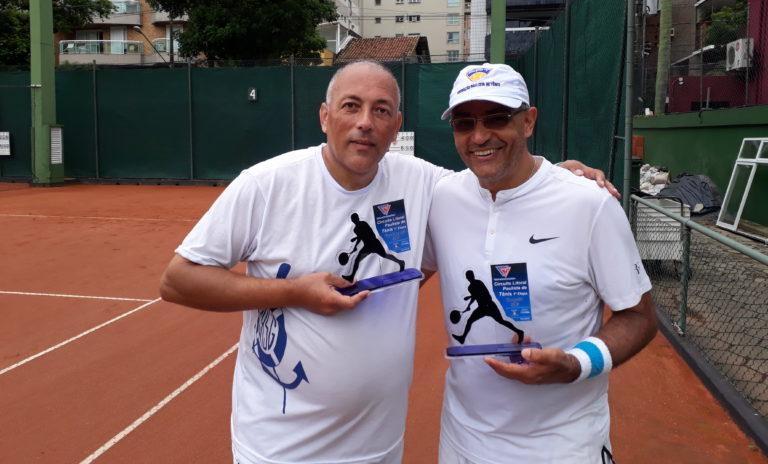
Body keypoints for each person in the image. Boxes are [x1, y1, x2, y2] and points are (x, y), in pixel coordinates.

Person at [160, 60, 617, 464]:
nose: (365, 123)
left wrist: (554, 176)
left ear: (396, 126)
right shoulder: (267, 184)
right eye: (350, 106)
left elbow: (498, 178)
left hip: (378, 446)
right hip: (280, 448)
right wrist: (295, 292)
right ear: (325, 116)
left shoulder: (422, 182)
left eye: (381, 110)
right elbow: (178, 280)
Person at [422, 63, 658, 464]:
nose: (479, 136)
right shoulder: (442, 197)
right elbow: (401, 278)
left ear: (528, 121)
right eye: (464, 123)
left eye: (497, 118)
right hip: (461, 442)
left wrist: (575, 364)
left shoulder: (589, 203)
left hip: (563, 447)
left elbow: (639, 317)